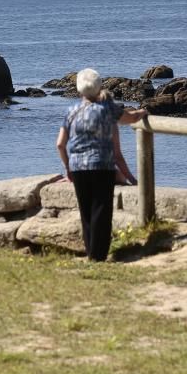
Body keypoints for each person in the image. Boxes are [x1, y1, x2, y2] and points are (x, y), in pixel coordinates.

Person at [56, 68, 147, 261]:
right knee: (101, 210)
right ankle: (99, 255)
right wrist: (141, 112)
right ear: (99, 88)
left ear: (79, 90)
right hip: (102, 166)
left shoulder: (71, 112)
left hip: (78, 167)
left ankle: (91, 253)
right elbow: (130, 119)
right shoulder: (108, 110)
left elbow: (60, 144)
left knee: (86, 211)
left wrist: (68, 168)